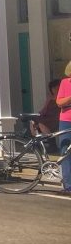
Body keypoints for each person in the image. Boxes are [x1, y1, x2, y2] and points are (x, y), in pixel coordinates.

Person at [54, 62, 71, 193]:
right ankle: (68, 184)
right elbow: (59, 102)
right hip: (67, 120)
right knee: (66, 151)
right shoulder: (66, 83)